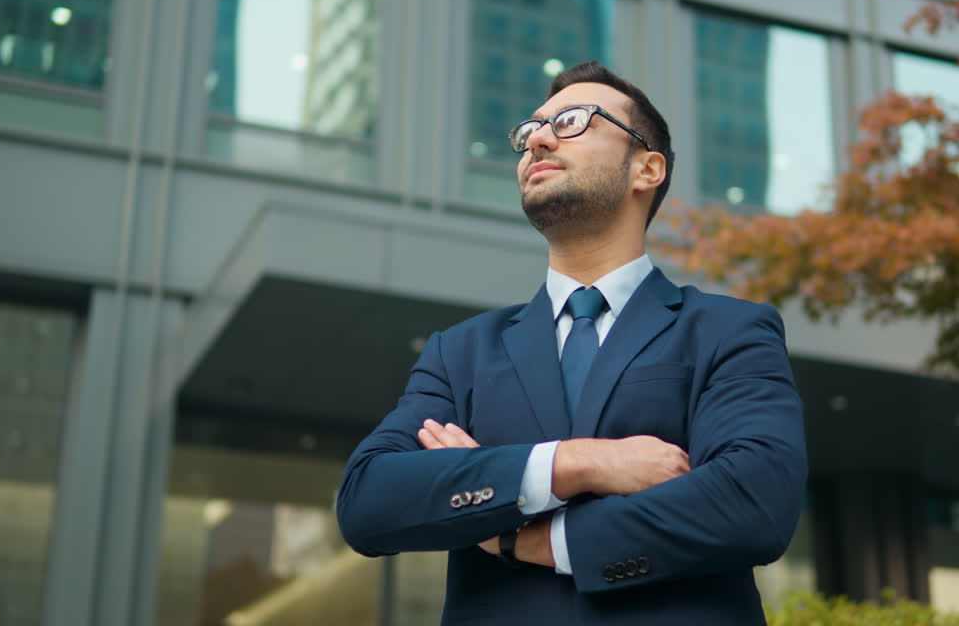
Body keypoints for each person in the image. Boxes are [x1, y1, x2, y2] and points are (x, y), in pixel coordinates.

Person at [336, 61, 807, 625]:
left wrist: (519, 537)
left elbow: (753, 505)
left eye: (573, 121)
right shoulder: (460, 352)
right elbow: (369, 502)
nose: (536, 138)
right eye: (530, 129)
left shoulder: (728, 330)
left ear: (647, 168)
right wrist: (576, 463)